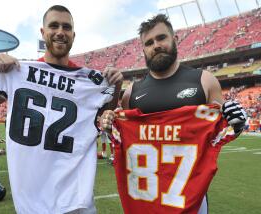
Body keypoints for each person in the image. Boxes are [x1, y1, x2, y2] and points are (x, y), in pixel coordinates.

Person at [0, 4, 123, 213]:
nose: (60, 32)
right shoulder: (19, 72)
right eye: (54, 26)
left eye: (66, 27)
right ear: (43, 32)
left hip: (76, 201)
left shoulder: (88, 80)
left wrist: (116, 85)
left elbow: (104, 114)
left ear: (73, 35)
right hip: (32, 201)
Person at [100, 14, 247, 214]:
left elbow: (220, 134)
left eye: (161, 38)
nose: (156, 45)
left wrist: (236, 123)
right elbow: (123, 141)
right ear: (143, 49)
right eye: (149, 42)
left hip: (190, 200)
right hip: (146, 199)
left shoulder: (205, 81)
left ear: (174, 39)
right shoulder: (131, 93)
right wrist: (110, 126)